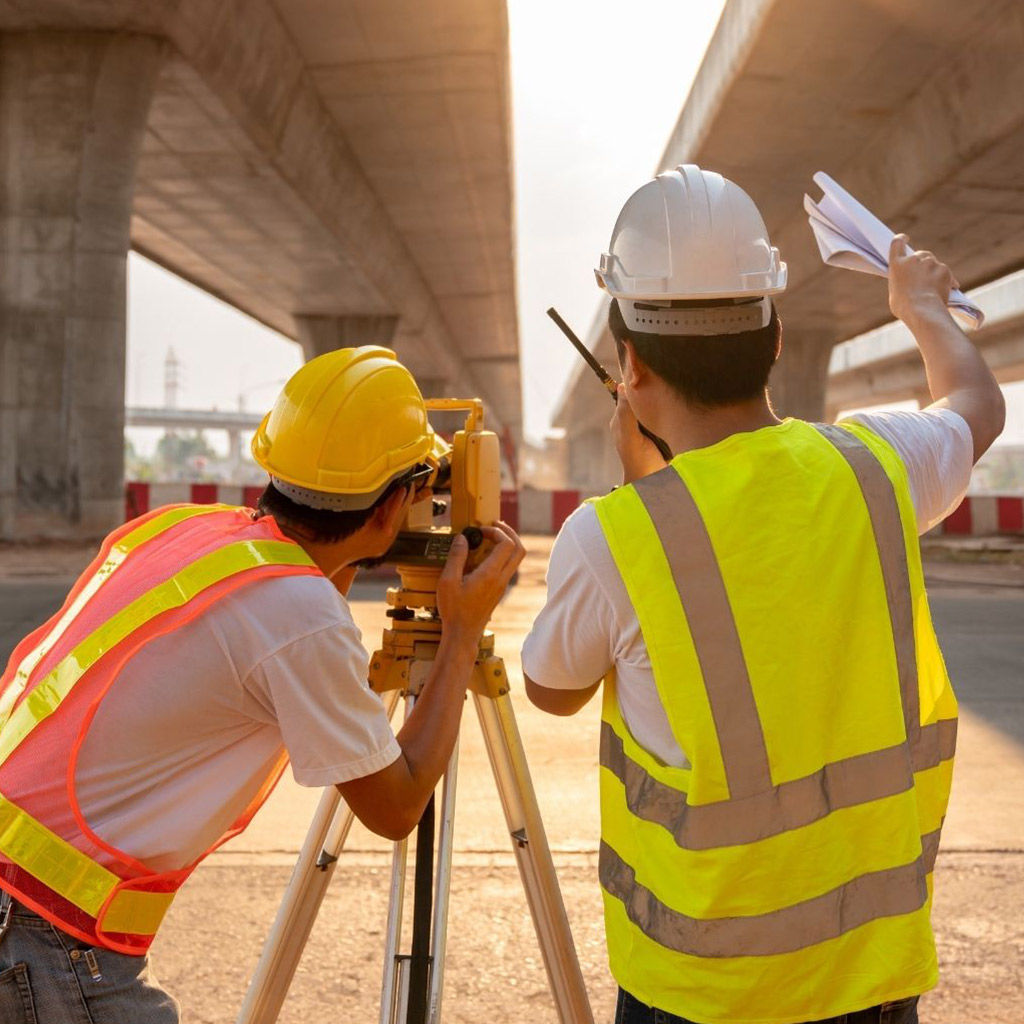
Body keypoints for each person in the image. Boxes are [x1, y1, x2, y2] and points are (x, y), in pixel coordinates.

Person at [522, 165, 1005, 1024]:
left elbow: (552, 689)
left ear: (629, 363)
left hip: (702, 990)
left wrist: (641, 488)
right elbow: (976, 406)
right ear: (776, 338)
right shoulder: (877, 466)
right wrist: (921, 309)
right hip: (870, 972)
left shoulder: (614, 537)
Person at [0, 345, 524, 1021]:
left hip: (24, 897)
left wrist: (368, 538)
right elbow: (397, 809)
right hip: (44, 933)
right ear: (393, 504)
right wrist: (461, 633)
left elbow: (297, 589)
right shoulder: (300, 617)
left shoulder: (186, 529)